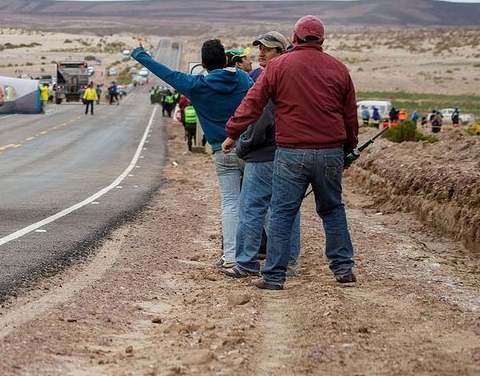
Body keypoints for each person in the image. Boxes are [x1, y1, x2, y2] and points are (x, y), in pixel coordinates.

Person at [223, 15, 358, 291]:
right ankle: (343, 268)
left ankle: (274, 277)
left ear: (294, 39)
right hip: (330, 151)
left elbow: (253, 102)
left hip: (292, 153)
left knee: (283, 212)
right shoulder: (338, 68)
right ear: (321, 40)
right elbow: (350, 115)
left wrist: (232, 133)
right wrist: (348, 148)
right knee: (332, 209)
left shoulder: (279, 67)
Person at [132, 39, 253, 268]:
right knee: (256, 201)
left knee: (230, 203)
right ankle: (262, 254)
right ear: (227, 60)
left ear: (203, 65)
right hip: (251, 147)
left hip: (222, 150)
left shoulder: (196, 86)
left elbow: (165, 73)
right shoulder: (243, 79)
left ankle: (230, 257)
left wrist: (140, 54)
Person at [221, 33, 300, 280]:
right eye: (260, 49)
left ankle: (246, 263)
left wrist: (241, 146)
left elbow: (260, 120)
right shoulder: (294, 76)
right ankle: (288, 262)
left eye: (268, 49)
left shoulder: (268, 77)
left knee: (251, 208)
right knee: (287, 209)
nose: (261, 53)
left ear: (281, 51)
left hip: (263, 154)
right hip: (289, 152)